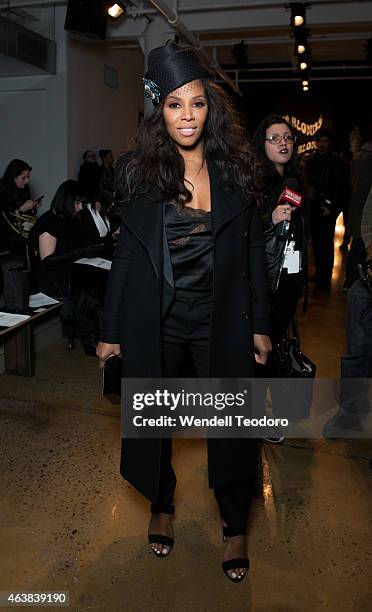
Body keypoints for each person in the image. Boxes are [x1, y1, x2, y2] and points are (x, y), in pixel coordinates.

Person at [96, 41, 271, 582]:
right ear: (160, 112)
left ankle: (235, 523)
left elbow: (254, 260)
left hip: (222, 319)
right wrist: (109, 330)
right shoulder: (142, 176)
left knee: (230, 425)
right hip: (159, 321)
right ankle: (162, 505)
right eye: (175, 105)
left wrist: (263, 323)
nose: (187, 116)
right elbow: (126, 258)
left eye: (196, 103)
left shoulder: (237, 172)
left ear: (210, 108)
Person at [252, 114, 308, 443]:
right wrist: (268, 218)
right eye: (274, 138)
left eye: (287, 137)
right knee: (261, 349)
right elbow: (241, 234)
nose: (283, 143)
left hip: (287, 281)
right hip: (262, 283)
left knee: (275, 351)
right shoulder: (255, 185)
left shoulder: (296, 184)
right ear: (262, 145)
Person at [305, 128, 348, 290]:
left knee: (326, 243)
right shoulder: (312, 159)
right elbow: (308, 180)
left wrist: (331, 206)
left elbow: (339, 187)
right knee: (316, 242)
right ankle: (319, 271)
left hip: (328, 208)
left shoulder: (336, 161)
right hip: (314, 206)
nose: (322, 144)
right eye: (319, 141)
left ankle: (325, 275)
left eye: (325, 141)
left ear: (329, 143)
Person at [0, 159, 41, 258]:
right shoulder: (2, 190)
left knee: (44, 233)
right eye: (23, 178)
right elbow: (6, 221)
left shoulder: (23, 189)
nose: (27, 181)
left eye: (28, 177)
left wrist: (32, 207)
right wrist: (22, 209)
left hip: (21, 230)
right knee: (33, 239)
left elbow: (27, 216)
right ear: (13, 177)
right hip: (5, 235)